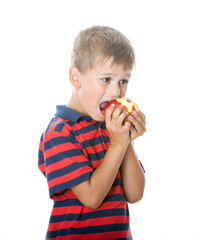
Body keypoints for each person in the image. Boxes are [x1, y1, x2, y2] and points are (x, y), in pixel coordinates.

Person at [38, 25, 146, 240]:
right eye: (106, 79)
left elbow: (135, 194)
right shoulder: (59, 133)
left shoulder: (112, 127)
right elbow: (92, 197)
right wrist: (117, 144)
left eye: (123, 81)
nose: (116, 91)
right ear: (76, 78)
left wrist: (126, 140)